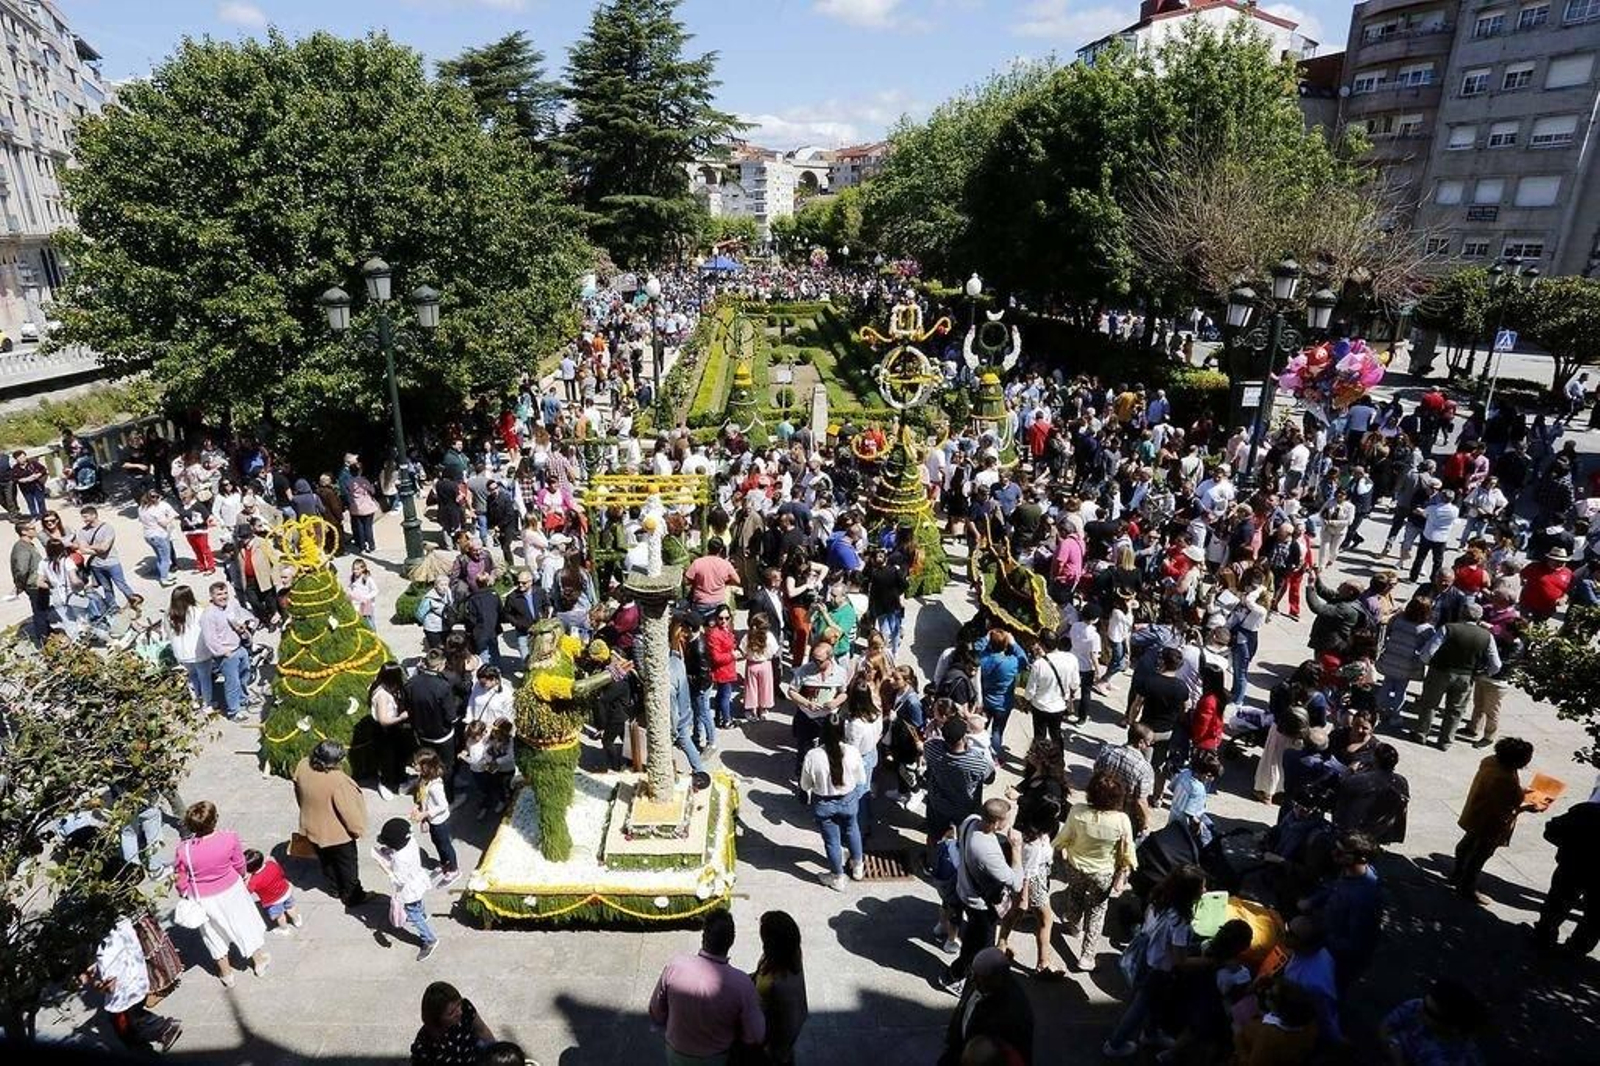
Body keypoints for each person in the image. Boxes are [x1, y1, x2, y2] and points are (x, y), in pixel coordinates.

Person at [1102, 864, 1207, 1057]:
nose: (1205, 891)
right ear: (1189, 893)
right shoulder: (1180, 922)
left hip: (1147, 960)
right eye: (1202, 887)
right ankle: (1115, 1044)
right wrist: (1209, 960)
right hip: (1159, 970)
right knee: (1139, 1007)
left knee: (1152, 1002)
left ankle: (1151, 1033)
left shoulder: (1158, 900)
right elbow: (1179, 959)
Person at [647, 909, 766, 1064]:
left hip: (677, 1054)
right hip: (717, 1058)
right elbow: (755, 1036)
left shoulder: (674, 967)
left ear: (703, 937)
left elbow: (656, 1012)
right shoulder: (742, 985)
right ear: (731, 940)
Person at [172, 801, 270, 987]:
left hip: (203, 897)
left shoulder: (183, 849)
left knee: (212, 934)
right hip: (231, 890)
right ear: (215, 820)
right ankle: (259, 962)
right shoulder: (229, 838)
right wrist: (241, 876)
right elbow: (240, 864)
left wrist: (185, 892)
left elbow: (180, 876)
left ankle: (226, 974)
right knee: (244, 923)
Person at [938, 797, 1025, 995]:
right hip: (980, 905)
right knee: (979, 947)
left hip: (965, 889)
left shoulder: (971, 820)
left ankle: (962, 970)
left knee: (973, 938)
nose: (1008, 823)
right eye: (1006, 819)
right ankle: (954, 976)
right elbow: (1016, 881)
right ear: (996, 823)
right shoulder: (986, 852)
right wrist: (1016, 848)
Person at [1055, 768, 1137, 973]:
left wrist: (1059, 849)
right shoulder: (1121, 820)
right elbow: (1127, 850)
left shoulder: (1078, 811)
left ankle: (1073, 923)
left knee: (1075, 894)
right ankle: (1087, 957)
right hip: (1103, 873)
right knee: (1097, 912)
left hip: (1076, 866)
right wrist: (1124, 871)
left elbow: (1064, 837)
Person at [1450, 736, 1536, 903]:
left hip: (1476, 811)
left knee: (1467, 843)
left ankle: (1457, 873)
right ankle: (1467, 887)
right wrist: (1528, 807)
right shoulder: (1506, 779)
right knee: (1480, 855)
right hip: (1491, 822)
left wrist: (1520, 790)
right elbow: (1505, 805)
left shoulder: (1490, 761)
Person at [87, 914, 183, 1054]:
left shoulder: (106, 946)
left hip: (124, 984)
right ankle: (160, 1032)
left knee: (125, 1023)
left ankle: (162, 1029)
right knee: (129, 1016)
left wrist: (98, 982)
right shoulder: (122, 924)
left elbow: (109, 978)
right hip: (134, 974)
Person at [292, 739, 369, 907]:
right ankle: (352, 896)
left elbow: (298, 793)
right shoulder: (339, 781)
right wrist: (357, 830)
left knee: (326, 860)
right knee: (346, 865)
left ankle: (334, 889)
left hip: (311, 826)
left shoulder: (303, 766)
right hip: (338, 834)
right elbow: (349, 813)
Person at [1530, 783, 1600, 953]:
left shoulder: (1586, 812)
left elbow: (1551, 831)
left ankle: (1544, 936)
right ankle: (1577, 948)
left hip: (1573, 868)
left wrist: (1569, 846)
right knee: (1595, 917)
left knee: (1557, 904)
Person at [800, 716, 868, 889]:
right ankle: (858, 865)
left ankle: (837, 877)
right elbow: (861, 779)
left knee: (832, 841)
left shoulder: (813, 756)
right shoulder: (853, 752)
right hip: (848, 800)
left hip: (824, 804)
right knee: (853, 830)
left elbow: (805, 784)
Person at [938, 947, 1035, 1066]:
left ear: (996, 978)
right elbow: (963, 1008)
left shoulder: (1014, 1013)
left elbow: (1014, 1054)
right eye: (972, 974)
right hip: (958, 1050)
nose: (972, 980)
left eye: (977, 977)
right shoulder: (980, 976)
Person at [1378, 978, 1487, 1066]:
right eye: (1424, 1002)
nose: (1420, 1009)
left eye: (1429, 1012)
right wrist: (1392, 1046)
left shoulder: (1447, 1059)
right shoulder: (1416, 1006)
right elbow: (1387, 1026)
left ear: (1450, 1024)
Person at [375, 817, 440, 962]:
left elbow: (399, 880)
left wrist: (385, 868)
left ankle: (429, 939)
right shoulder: (411, 841)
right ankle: (423, 915)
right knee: (418, 904)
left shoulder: (398, 859)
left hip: (409, 889)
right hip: (419, 880)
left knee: (412, 913)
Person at [753, 910, 809, 1065]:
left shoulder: (776, 981)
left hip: (772, 1046)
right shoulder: (792, 955)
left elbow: (765, 1016)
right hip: (783, 1043)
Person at [199, 581, 257, 721]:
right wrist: (224, 652)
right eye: (219, 594)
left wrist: (246, 626)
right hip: (227, 654)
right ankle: (234, 712)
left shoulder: (231, 606)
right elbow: (210, 639)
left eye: (225, 593)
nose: (223, 596)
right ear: (212, 596)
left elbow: (243, 616)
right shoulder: (208, 615)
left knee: (244, 677)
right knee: (232, 683)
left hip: (239, 647)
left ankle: (244, 699)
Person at [411, 981, 495, 1066]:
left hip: (471, 1055)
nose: (459, 1012)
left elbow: (482, 1031)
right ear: (437, 1018)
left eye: (459, 1004)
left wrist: (497, 1056)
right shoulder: (424, 1046)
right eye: (451, 1013)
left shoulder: (465, 1008)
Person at [412, 750, 459, 886]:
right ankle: (444, 863)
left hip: (440, 821)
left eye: (416, 764)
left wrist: (425, 814)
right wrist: (417, 807)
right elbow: (421, 796)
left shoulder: (435, 786)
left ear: (425, 766)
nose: (414, 766)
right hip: (432, 821)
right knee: (437, 842)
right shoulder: (423, 779)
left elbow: (443, 805)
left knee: (445, 845)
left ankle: (454, 868)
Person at [368, 661, 412, 800]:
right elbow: (383, 720)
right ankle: (386, 784)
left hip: (393, 730)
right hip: (385, 731)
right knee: (388, 759)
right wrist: (401, 717)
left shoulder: (383, 685)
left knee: (398, 755)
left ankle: (400, 779)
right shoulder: (382, 695)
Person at [243, 847, 303, 936]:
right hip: (285, 891)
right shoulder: (271, 864)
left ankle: (284, 929)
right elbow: (282, 873)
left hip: (273, 901)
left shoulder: (254, 880)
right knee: (290, 908)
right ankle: (297, 921)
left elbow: (248, 891)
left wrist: (246, 881)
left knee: (280, 916)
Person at [346, 557, 379, 629]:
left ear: (363, 569)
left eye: (357, 569)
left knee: (369, 622)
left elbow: (375, 590)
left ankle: (374, 635)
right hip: (356, 605)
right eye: (354, 569)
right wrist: (349, 594)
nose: (355, 571)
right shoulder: (352, 578)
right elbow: (350, 587)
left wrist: (366, 597)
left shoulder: (367, 579)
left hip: (366, 605)